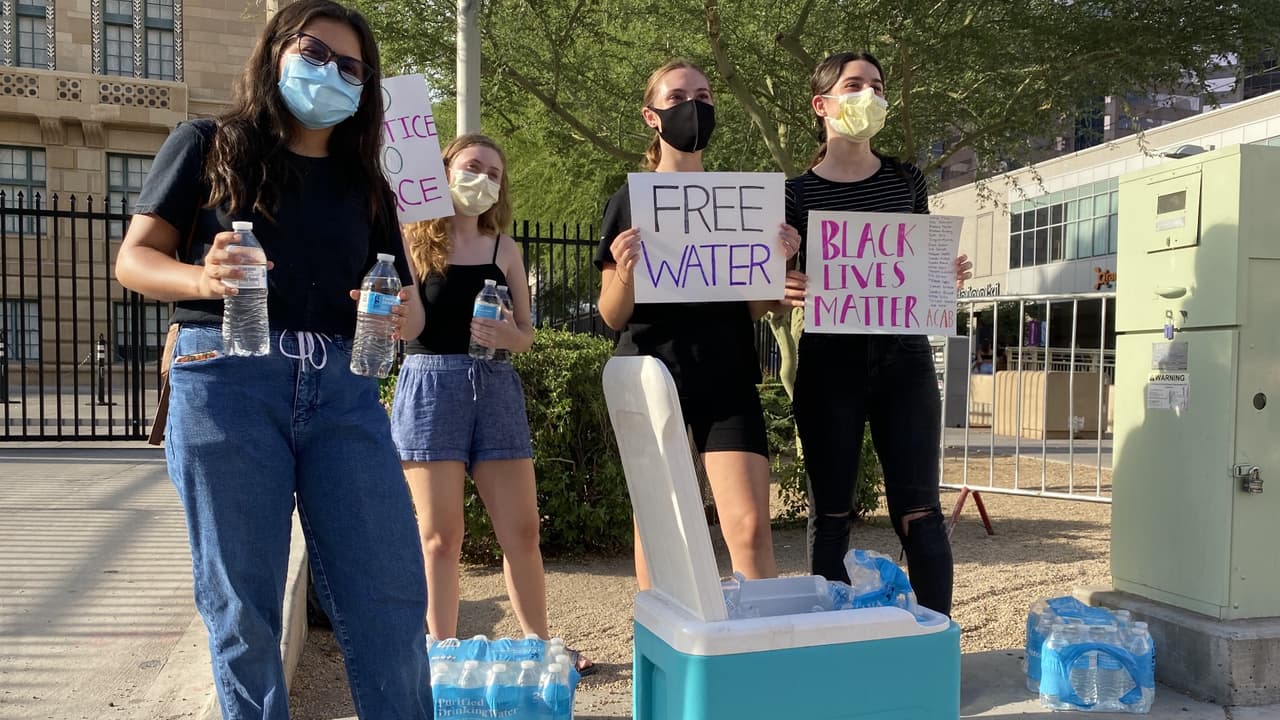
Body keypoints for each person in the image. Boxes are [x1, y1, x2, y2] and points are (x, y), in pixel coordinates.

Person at [113, 1, 433, 717]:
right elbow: (134, 260)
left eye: (351, 67)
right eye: (314, 53)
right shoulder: (208, 144)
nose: (331, 73)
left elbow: (412, 309)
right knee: (243, 606)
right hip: (226, 380)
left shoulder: (367, 184)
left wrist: (399, 314)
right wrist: (202, 277)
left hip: (343, 388)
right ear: (276, 51)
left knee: (389, 592)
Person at [391, 133, 594, 675]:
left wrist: (509, 335)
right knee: (440, 537)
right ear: (444, 171)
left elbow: (526, 334)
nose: (482, 179)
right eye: (472, 166)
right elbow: (404, 327)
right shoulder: (412, 243)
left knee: (522, 532)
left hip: (496, 386)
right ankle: (440, 655)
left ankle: (539, 646)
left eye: (494, 173)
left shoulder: (505, 249)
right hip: (430, 386)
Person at [594, 60, 801, 589]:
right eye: (679, 96)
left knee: (750, 528)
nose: (694, 106)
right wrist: (626, 272)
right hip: (651, 376)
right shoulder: (628, 203)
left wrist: (777, 273)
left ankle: (761, 634)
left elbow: (754, 307)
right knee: (659, 528)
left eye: (704, 96)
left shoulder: (744, 204)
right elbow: (611, 314)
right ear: (652, 115)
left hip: (727, 376)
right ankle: (658, 634)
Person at [778, 52, 972, 617]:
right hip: (828, 360)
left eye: (878, 86)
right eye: (855, 84)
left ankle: (935, 641)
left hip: (903, 356)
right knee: (830, 514)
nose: (870, 95)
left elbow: (920, 263)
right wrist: (781, 282)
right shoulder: (793, 194)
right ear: (822, 105)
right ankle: (834, 645)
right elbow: (770, 286)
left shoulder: (905, 179)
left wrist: (944, 275)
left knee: (920, 511)